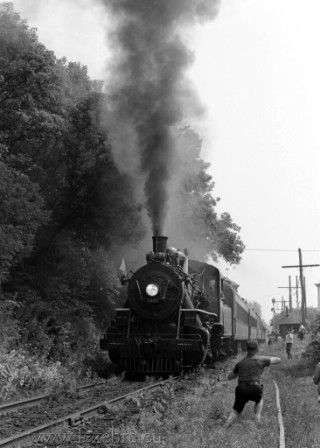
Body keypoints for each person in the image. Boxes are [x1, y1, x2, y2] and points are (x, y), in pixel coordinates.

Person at [226, 340, 281, 426]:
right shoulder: (262, 359)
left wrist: (235, 370)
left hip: (241, 389)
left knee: (236, 410)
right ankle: (257, 419)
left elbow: (230, 377)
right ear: (257, 349)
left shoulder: (240, 363)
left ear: (246, 349)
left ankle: (226, 425)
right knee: (259, 399)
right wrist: (264, 357)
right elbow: (278, 360)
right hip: (255, 388)